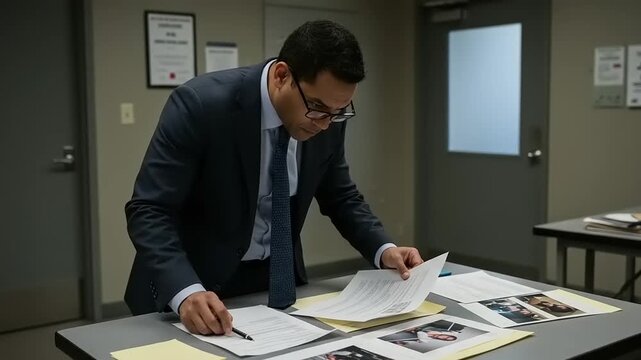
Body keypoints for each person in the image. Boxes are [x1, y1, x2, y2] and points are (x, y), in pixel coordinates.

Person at [124, 20, 424, 336]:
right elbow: (149, 210)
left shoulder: (328, 116)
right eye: (318, 109)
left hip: (276, 284)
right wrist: (186, 291)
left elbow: (340, 196)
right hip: (194, 288)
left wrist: (383, 249)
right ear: (282, 76)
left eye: (338, 112)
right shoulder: (201, 105)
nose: (325, 124)